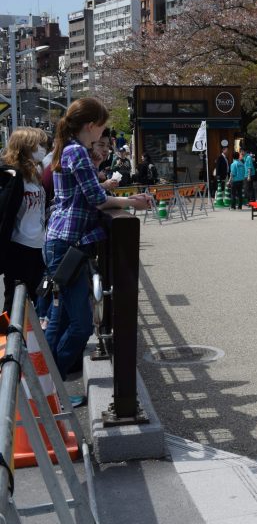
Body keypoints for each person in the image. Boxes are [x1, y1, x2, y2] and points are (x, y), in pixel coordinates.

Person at [42, 98, 151, 386]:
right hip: (67, 242)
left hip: (60, 240)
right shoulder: (77, 151)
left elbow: (84, 193)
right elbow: (96, 199)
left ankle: (44, 387)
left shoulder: (67, 149)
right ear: (91, 125)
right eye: (101, 128)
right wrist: (132, 202)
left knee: (60, 320)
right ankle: (55, 384)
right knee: (79, 325)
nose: (101, 135)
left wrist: (112, 193)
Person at [1, 128, 49, 315]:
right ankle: (6, 341)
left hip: (38, 245)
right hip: (18, 248)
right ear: (26, 147)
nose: (42, 148)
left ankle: (27, 342)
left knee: (36, 301)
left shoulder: (36, 172)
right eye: (38, 144)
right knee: (14, 301)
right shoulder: (11, 176)